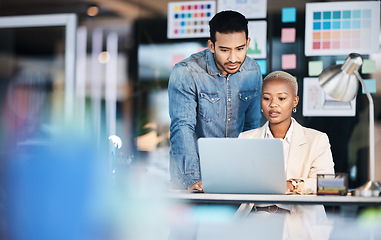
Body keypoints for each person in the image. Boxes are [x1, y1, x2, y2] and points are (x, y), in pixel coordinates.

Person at [168, 10, 263, 191]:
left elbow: (252, 128)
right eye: (225, 50)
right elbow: (182, 128)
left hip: (235, 176)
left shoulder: (253, 70)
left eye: (240, 49)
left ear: (248, 43)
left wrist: (251, 173)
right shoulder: (186, 72)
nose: (233, 58)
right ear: (211, 45)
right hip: (193, 175)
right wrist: (192, 180)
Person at [239, 71, 335, 213]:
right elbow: (238, 182)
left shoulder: (317, 139)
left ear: (295, 101)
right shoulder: (246, 139)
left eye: (282, 98)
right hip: (256, 219)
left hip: (298, 222)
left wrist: (293, 185)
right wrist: (214, 184)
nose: (273, 105)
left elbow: (331, 186)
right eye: (266, 98)